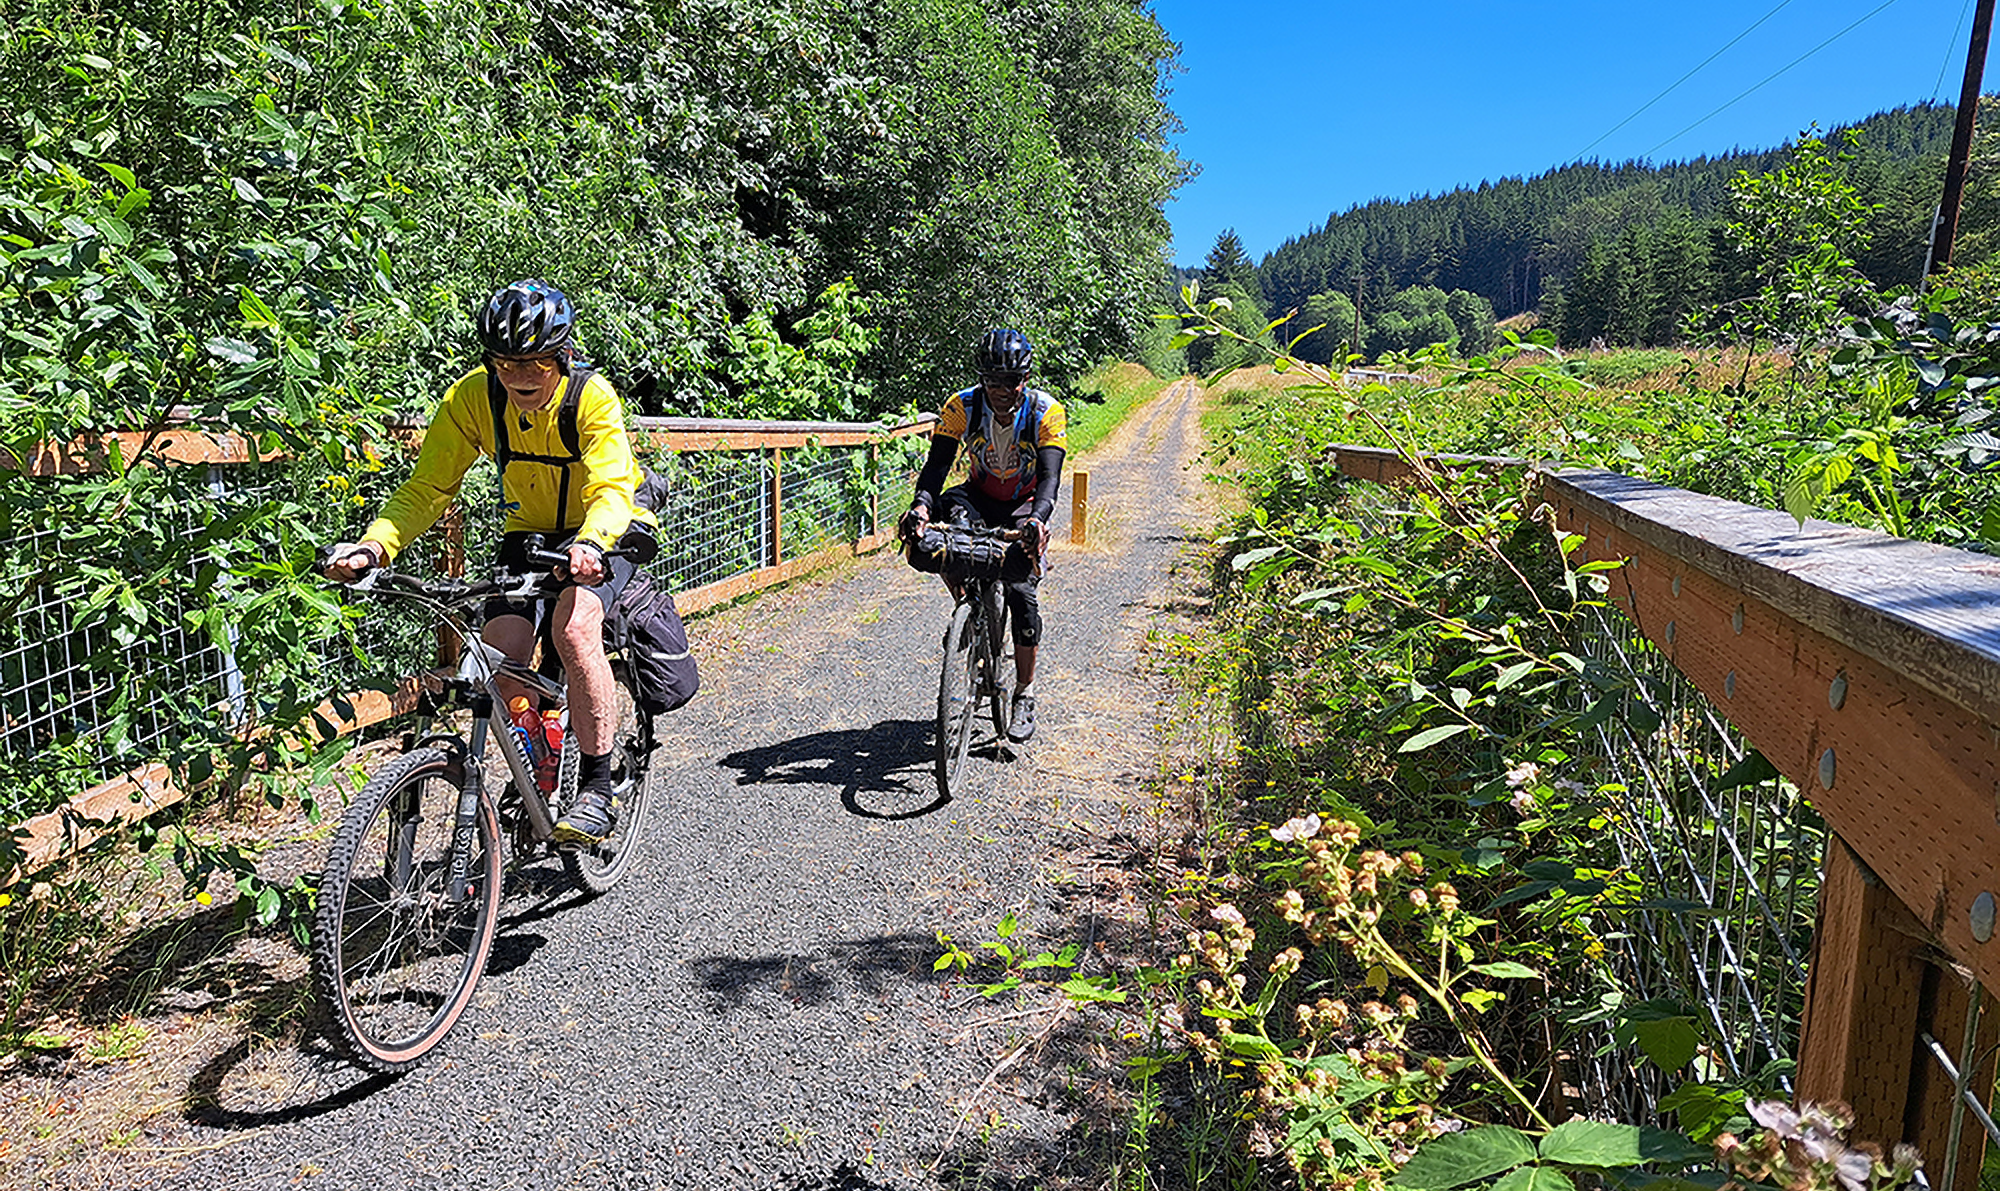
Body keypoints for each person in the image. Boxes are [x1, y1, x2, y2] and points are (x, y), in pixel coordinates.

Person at [322, 279, 655, 844]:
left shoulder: (591, 398)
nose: (521, 377)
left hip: (607, 529)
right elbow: (429, 486)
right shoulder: (473, 398)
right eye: (506, 364)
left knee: (574, 633)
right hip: (527, 533)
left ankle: (598, 788)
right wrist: (375, 545)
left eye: (535, 365)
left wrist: (592, 544)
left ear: (562, 356)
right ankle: (537, 758)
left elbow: (611, 487)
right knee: (499, 654)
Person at [900, 328, 1066, 742]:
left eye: (1011, 381)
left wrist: (1038, 521)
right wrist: (921, 505)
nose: (1002, 390)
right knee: (942, 528)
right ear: (982, 379)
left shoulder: (1047, 412)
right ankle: (969, 609)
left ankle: (1025, 693)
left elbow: (1049, 479)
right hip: (978, 494)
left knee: (1021, 594)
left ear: (1024, 379)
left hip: (1025, 501)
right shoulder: (962, 406)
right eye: (993, 381)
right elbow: (937, 467)